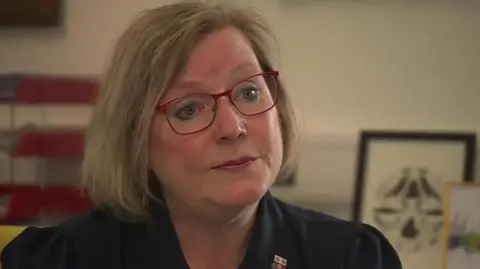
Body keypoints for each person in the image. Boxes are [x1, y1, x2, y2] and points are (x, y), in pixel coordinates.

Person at [1, 2, 402, 269]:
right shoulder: (64, 260)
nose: (232, 127)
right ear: (135, 138)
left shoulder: (352, 258)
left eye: (248, 92)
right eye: (188, 108)